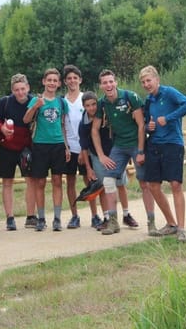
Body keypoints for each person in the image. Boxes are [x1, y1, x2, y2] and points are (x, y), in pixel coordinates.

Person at [91, 69, 154, 235]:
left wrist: (141, 151)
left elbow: (141, 125)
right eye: (105, 83)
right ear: (101, 86)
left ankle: (151, 223)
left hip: (136, 143)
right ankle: (113, 222)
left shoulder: (130, 97)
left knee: (144, 183)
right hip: (119, 145)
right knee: (108, 181)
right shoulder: (102, 103)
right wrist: (102, 155)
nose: (108, 85)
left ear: (116, 82)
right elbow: (94, 130)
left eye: (111, 81)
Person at [139, 65, 186, 242]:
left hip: (173, 144)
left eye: (149, 80)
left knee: (175, 184)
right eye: (143, 82)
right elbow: (147, 122)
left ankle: (182, 228)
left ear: (157, 79)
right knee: (153, 185)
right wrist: (150, 126)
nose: (147, 84)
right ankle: (171, 223)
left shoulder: (169, 92)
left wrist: (169, 118)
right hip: (154, 145)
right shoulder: (148, 100)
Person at [23, 68, 70, 232]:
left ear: (58, 83)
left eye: (55, 81)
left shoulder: (61, 102)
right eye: (49, 80)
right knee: (40, 182)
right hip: (40, 144)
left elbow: (63, 125)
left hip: (57, 145)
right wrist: (35, 106)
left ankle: (57, 218)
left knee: (57, 181)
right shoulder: (37, 100)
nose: (51, 83)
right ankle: (41, 218)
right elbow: (26, 119)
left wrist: (66, 146)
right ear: (44, 81)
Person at [79, 91, 131, 230]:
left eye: (94, 104)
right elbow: (84, 148)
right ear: (83, 107)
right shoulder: (83, 124)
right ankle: (107, 217)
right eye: (88, 105)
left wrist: (126, 152)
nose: (92, 108)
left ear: (98, 103)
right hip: (98, 156)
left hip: (115, 153)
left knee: (120, 184)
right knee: (103, 187)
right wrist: (89, 169)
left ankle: (126, 214)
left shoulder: (106, 115)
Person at [0, 73, 37, 230]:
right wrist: (2, 128)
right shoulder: (4, 102)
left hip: (27, 147)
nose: (20, 92)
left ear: (28, 88)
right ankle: (10, 218)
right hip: (7, 147)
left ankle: (31, 216)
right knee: (7, 182)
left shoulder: (34, 102)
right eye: (17, 90)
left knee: (31, 180)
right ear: (12, 90)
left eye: (23, 89)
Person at [62, 65, 96, 229]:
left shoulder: (86, 99)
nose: (72, 81)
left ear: (80, 80)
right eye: (69, 78)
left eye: (75, 78)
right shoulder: (63, 101)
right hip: (70, 147)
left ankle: (95, 215)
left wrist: (86, 149)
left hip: (85, 148)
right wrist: (66, 146)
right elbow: (62, 124)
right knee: (70, 181)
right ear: (65, 81)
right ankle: (74, 215)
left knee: (89, 181)